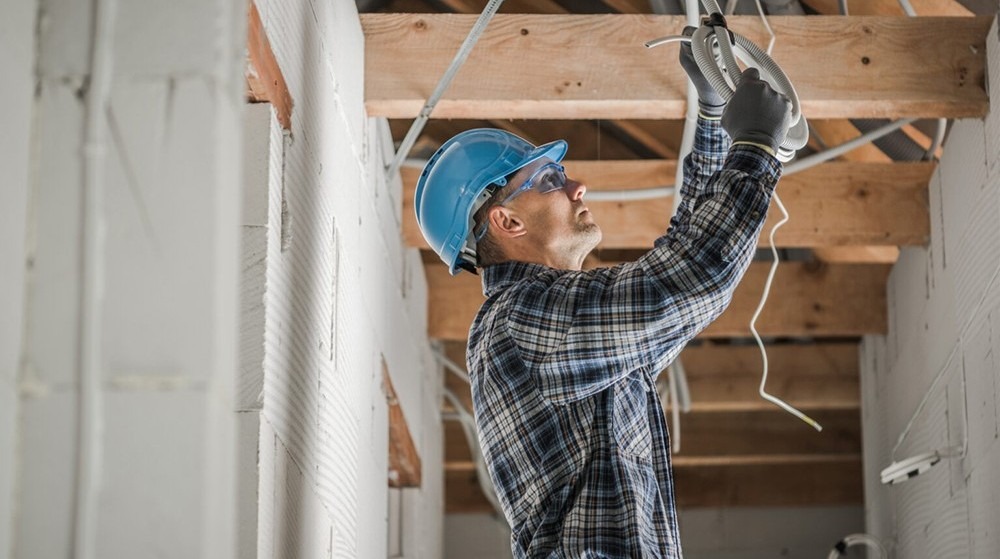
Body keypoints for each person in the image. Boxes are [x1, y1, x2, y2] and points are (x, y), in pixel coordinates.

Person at [414, 33, 792, 559]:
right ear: (506, 220)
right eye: (549, 180)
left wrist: (712, 118)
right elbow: (693, 278)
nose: (577, 189)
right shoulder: (521, 321)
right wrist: (753, 147)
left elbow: (683, 256)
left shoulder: (560, 329)